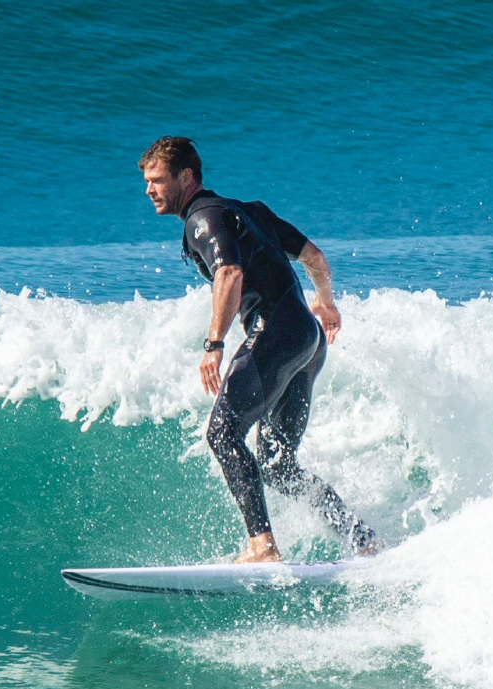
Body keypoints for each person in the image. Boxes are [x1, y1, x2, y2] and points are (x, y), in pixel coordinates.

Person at [139, 136, 377, 563]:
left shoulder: (201, 219)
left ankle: (262, 546)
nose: (149, 190)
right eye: (147, 182)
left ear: (187, 177)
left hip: (277, 334)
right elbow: (314, 257)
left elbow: (229, 274)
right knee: (275, 463)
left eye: (157, 180)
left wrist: (213, 345)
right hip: (307, 339)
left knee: (223, 434)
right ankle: (361, 538)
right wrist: (326, 303)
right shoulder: (249, 211)